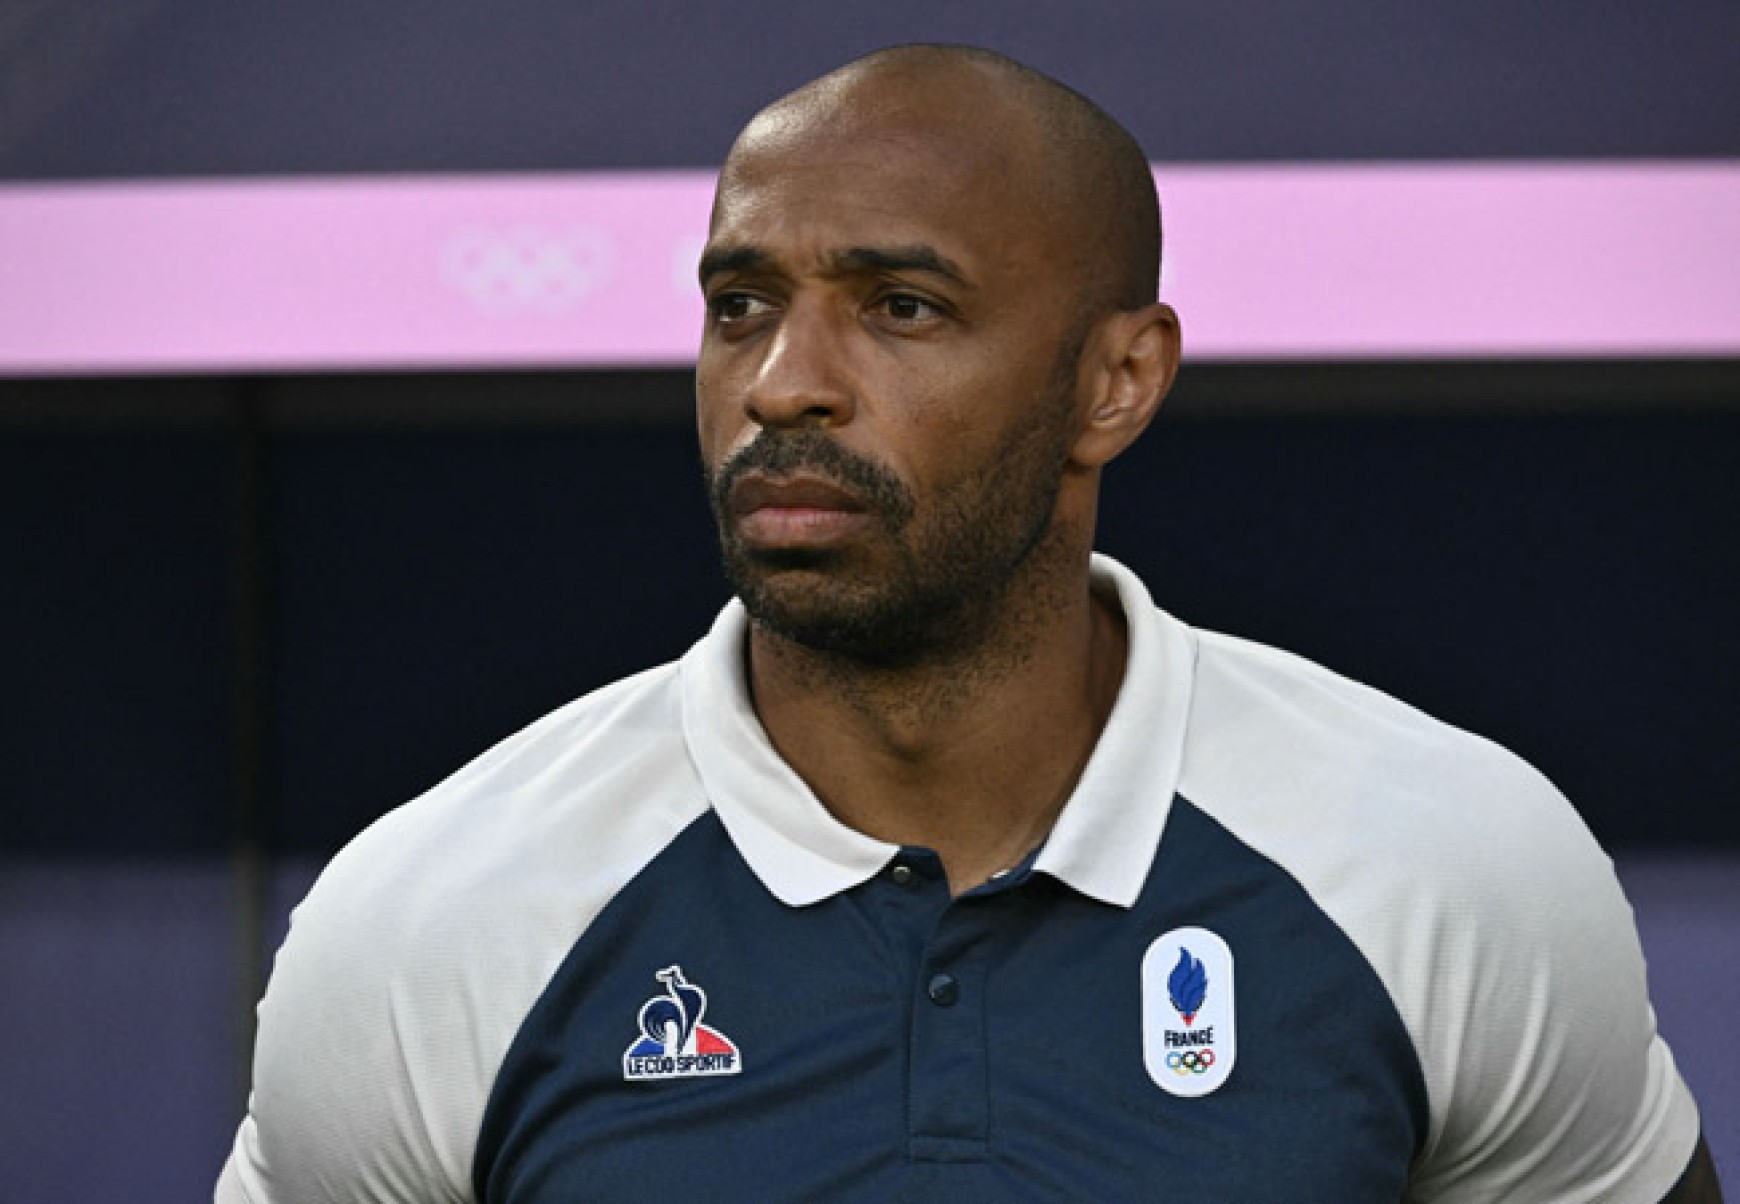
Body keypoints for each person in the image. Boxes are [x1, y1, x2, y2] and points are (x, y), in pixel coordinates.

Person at [218, 44, 1722, 1203]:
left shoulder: (1449, 864)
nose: (783, 383)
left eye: (902, 307)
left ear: (1116, 382)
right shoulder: (433, 919)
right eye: (740, 304)